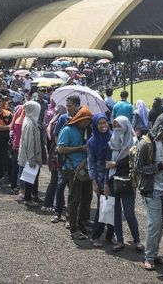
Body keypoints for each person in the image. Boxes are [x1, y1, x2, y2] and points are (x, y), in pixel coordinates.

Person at [136, 113, 163, 271]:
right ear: (160, 128)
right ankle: (149, 256)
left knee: (161, 222)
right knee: (154, 223)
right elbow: (139, 168)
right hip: (150, 189)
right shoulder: (144, 144)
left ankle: (154, 252)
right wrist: (159, 166)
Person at [106, 116, 144, 252]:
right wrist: (106, 182)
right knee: (116, 212)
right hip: (113, 181)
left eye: (119, 126)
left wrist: (116, 164)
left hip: (128, 181)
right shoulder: (111, 141)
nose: (116, 129)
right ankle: (120, 240)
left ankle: (137, 240)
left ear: (126, 126)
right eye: (114, 126)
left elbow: (134, 162)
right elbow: (106, 164)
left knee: (129, 212)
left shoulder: (134, 142)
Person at [57, 105, 93, 240]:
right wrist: (80, 148)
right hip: (72, 169)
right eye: (85, 120)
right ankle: (73, 228)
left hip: (86, 169)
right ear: (79, 119)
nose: (87, 123)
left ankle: (82, 224)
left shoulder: (86, 130)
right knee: (74, 199)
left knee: (87, 198)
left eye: (89, 121)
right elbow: (60, 149)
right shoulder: (67, 130)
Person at [87, 113, 115, 247]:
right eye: (100, 123)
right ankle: (96, 235)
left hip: (113, 175)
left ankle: (110, 235)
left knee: (113, 206)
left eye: (105, 123)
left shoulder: (113, 137)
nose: (103, 126)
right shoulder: (92, 142)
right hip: (99, 177)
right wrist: (93, 181)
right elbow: (90, 162)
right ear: (95, 125)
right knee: (102, 207)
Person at [18, 101, 42, 206]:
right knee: (29, 176)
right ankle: (28, 199)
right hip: (30, 155)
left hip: (30, 154)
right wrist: (31, 158)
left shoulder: (29, 120)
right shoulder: (29, 124)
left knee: (33, 175)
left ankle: (34, 196)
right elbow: (30, 143)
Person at [9, 104, 25, 194]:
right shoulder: (21, 122)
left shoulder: (17, 119)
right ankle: (15, 185)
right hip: (18, 146)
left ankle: (15, 184)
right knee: (17, 166)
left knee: (15, 166)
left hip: (15, 145)